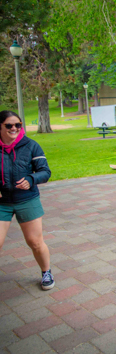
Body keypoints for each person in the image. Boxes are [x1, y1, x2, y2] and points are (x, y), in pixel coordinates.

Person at [0, 111, 52, 290]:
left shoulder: (31, 146)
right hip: (2, 203)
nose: (14, 128)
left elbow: (45, 172)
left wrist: (31, 179)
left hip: (27, 199)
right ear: (0, 127)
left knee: (35, 242)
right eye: (9, 125)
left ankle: (46, 272)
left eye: (18, 125)